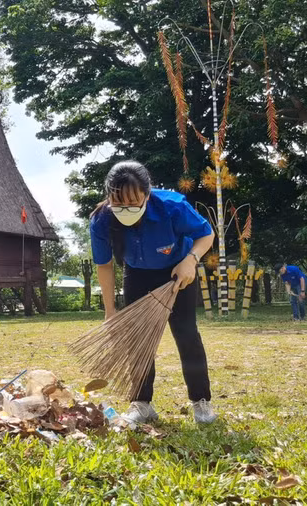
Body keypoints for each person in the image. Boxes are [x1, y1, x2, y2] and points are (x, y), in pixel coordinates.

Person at [89, 161, 218, 425]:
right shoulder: (102, 219)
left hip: (177, 271)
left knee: (186, 334)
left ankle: (201, 401)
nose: (127, 209)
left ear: (148, 194)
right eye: (119, 203)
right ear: (109, 196)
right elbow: (104, 265)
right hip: (136, 274)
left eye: (134, 202)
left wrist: (191, 260)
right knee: (138, 340)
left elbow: (206, 234)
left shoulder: (172, 207)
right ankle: (142, 403)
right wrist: (110, 311)